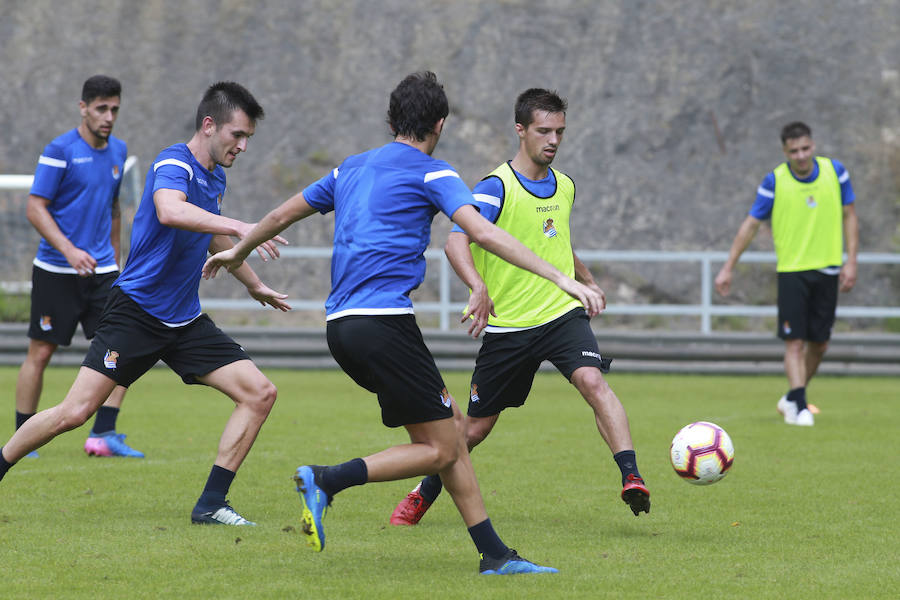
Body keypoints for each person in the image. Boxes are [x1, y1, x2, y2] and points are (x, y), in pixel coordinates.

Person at [203, 72, 603, 574]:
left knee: (451, 436)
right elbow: (480, 231)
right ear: (440, 124)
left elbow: (283, 213)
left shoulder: (349, 168)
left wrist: (238, 249)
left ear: (392, 120)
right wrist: (560, 277)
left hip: (342, 327)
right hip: (384, 323)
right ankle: (327, 480)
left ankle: (494, 555)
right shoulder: (434, 173)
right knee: (441, 448)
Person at [0, 81, 290, 526]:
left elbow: (209, 234)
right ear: (209, 126)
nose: (244, 145)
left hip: (184, 322)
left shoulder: (215, 176)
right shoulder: (174, 162)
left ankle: (211, 504)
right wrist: (241, 225)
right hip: (135, 313)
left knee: (260, 394)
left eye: (248, 137)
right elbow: (171, 210)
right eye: (238, 135)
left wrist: (252, 283)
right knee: (74, 413)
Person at [389, 88, 650, 527]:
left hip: (560, 315)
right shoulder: (496, 187)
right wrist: (477, 286)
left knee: (593, 381)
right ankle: (424, 492)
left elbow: (556, 242)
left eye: (560, 132)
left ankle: (632, 476)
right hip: (510, 329)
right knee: (473, 430)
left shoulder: (564, 186)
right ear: (521, 130)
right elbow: (456, 241)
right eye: (544, 131)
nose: (553, 140)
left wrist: (586, 280)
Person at [17, 75, 142, 458]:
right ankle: (24, 434)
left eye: (115, 109)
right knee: (40, 353)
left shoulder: (119, 151)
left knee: (122, 348)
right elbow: (35, 208)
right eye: (101, 108)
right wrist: (70, 251)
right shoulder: (60, 150)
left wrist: (117, 261)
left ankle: (103, 434)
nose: (109, 117)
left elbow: (114, 209)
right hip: (57, 269)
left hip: (103, 272)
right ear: (83, 108)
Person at [715, 121, 858, 426]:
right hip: (792, 271)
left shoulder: (836, 172)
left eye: (805, 148)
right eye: (794, 151)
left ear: (813, 145)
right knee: (794, 342)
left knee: (820, 344)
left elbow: (850, 215)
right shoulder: (774, 181)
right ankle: (800, 404)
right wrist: (728, 267)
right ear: (785, 151)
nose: (801, 155)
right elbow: (751, 224)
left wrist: (852, 261)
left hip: (829, 268)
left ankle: (793, 397)